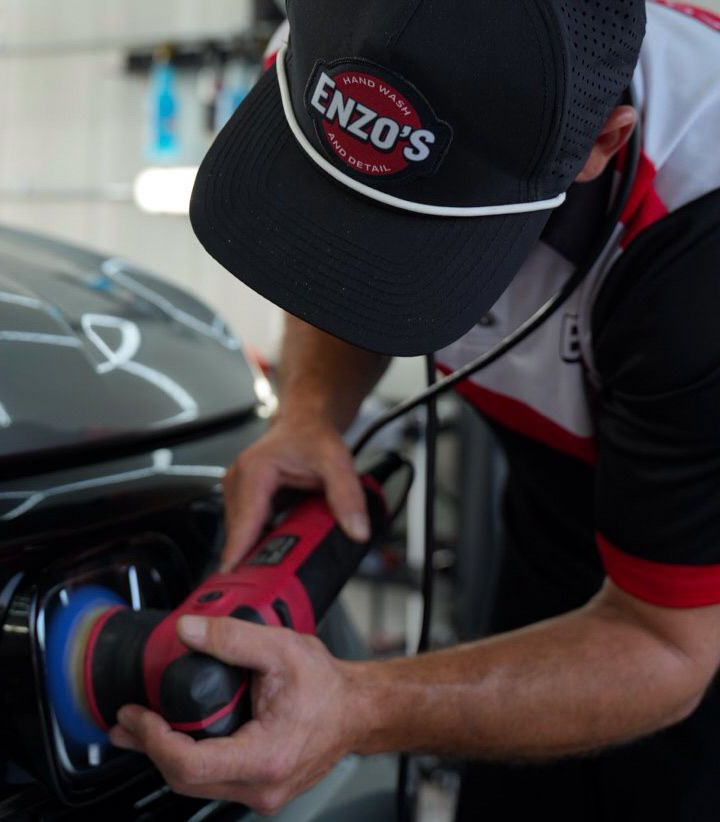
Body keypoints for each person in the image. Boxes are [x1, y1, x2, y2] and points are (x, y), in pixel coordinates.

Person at [108, 0, 720, 819]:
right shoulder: (337, 35)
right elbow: (342, 235)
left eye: (428, 229)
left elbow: (665, 646)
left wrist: (361, 708)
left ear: (601, 145)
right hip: (567, 508)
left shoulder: (698, 240)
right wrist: (312, 411)